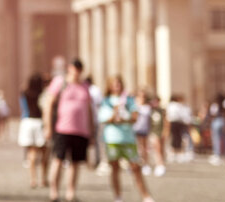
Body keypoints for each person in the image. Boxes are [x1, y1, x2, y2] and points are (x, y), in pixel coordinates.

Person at [44, 59, 94, 202]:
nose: (77, 71)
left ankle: (70, 192)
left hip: (81, 129)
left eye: (79, 69)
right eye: (74, 68)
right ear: (69, 68)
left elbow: (89, 109)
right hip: (62, 128)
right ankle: (54, 191)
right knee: (58, 160)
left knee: (75, 162)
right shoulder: (60, 82)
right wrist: (48, 127)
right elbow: (49, 104)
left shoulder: (85, 86)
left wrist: (91, 130)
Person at [98, 76, 154, 202]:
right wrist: (115, 112)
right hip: (112, 139)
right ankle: (118, 197)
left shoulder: (129, 100)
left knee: (135, 167)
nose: (117, 85)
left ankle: (145, 195)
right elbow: (103, 119)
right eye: (114, 83)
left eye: (119, 83)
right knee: (115, 168)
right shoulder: (106, 101)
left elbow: (134, 117)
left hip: (127, 138)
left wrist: (126, 117)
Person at [18, 73, 48, 189]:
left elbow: (22, 88)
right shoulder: (43, 94)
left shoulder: (25, 93)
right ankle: (43, 178)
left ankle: (33, 179)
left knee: (32, 152)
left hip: (27, 122)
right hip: (40, 122)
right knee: (44, 152)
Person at [166, 94, 191, 163]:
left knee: (178, 138)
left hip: (178, 123)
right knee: (175, 138)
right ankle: (175, 153)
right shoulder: (174, 105)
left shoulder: (176, 106)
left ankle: (178, 153)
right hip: (175, 123)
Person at [208, 93, 225, 166]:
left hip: (216, 122)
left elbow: (213, 114)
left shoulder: (215, 105)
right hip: (224, 121)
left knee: (216, 139)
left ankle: (217, 154)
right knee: (224, 139)